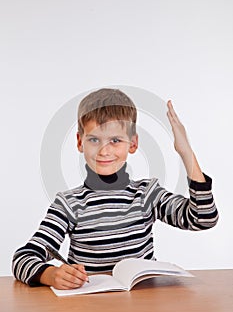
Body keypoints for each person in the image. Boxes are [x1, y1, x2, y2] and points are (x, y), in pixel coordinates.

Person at [12, 88, 219, 289]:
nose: (104, 150)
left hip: (143, 308)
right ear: (79, 142)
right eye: (94, 140)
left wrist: (186, 152)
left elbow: (203, 218)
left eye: (115, 140)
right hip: (89, 311)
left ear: (133, 144)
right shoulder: (69, 204)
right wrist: (51, 274)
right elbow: (23, 258)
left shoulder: (147, 194)